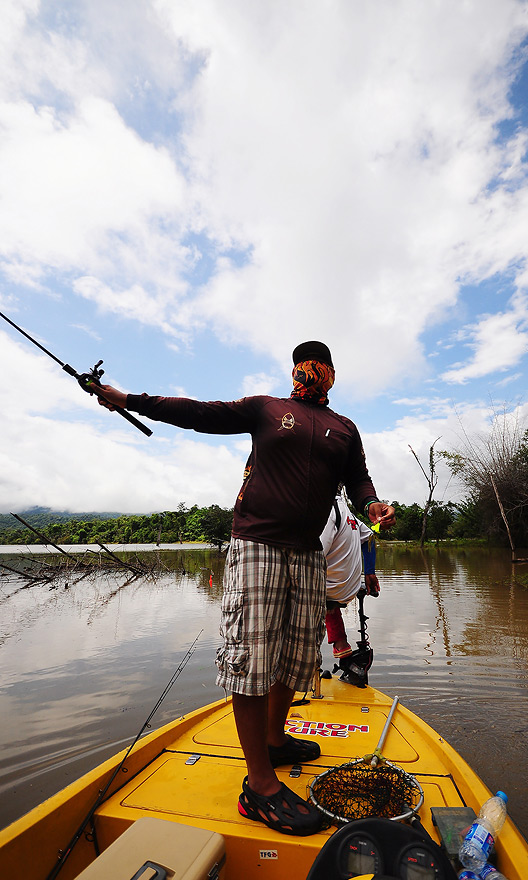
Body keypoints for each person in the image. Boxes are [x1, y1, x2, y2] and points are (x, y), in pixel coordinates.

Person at [92, 340, 395, 836]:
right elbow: (196, 413)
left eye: (319, 362)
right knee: (253, 654)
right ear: (294, 370)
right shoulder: (267, 410)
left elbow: (359, 482)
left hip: (306, 552)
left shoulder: (345, 428)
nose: (311, 369)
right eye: (303, 362)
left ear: (333, 373)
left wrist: (374, 505)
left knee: (295, 654)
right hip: (257, 543)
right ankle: (260, 787)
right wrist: (130, 400)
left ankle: (275, 741)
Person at [320, 492, 380, 659]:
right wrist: (370, 572)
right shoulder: (348, 512)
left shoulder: (325, 510)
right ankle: (341, 644)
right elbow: (369, 537)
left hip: (330, 590)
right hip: (350, 589)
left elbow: (315, 556)